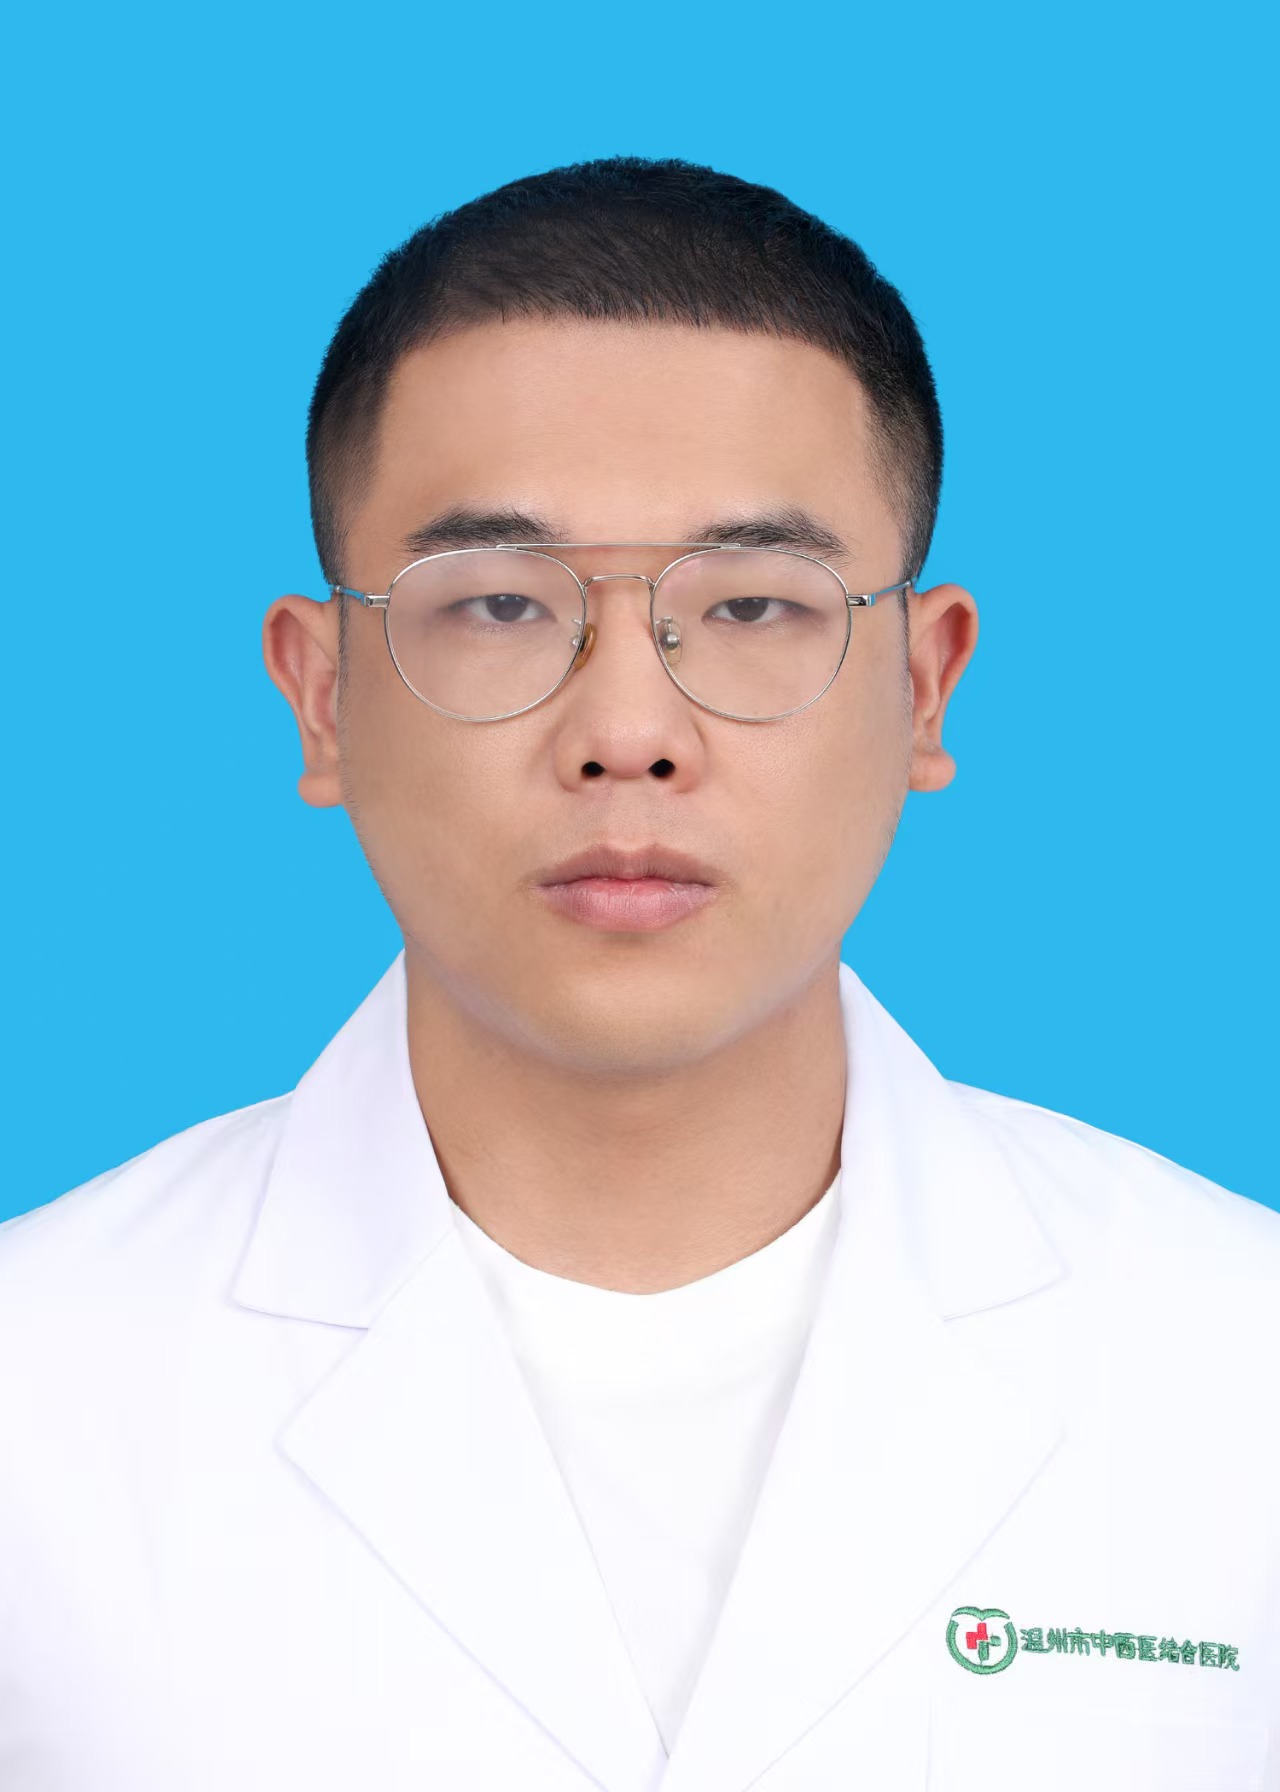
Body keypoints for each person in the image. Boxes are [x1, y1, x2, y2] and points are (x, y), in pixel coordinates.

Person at [1, 156, 1276, 1792]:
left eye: (750, 603)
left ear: (923, 684)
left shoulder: (1240, 1372)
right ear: (323, 699)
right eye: (498, 603)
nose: (626, 733)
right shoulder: (38, 1395)